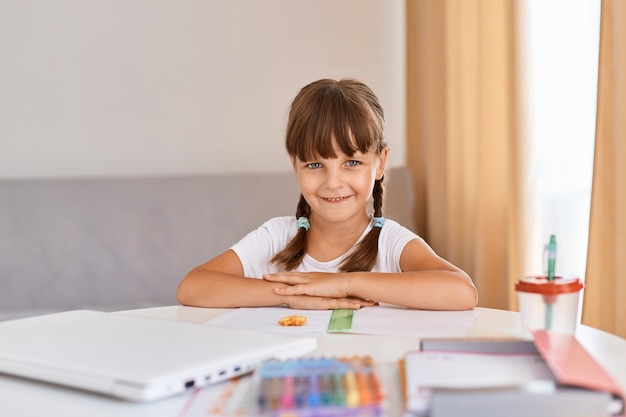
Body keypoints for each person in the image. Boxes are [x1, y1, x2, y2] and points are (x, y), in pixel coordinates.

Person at [177, 78, 477, 310]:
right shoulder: (275, 237)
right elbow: (192, 286)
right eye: (315, 164)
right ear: (295, 165)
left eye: (352, 163)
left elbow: (461, 292)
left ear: (380, 163)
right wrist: (292, 295)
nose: (333, 182)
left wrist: (342, 283)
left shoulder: (391, 243)